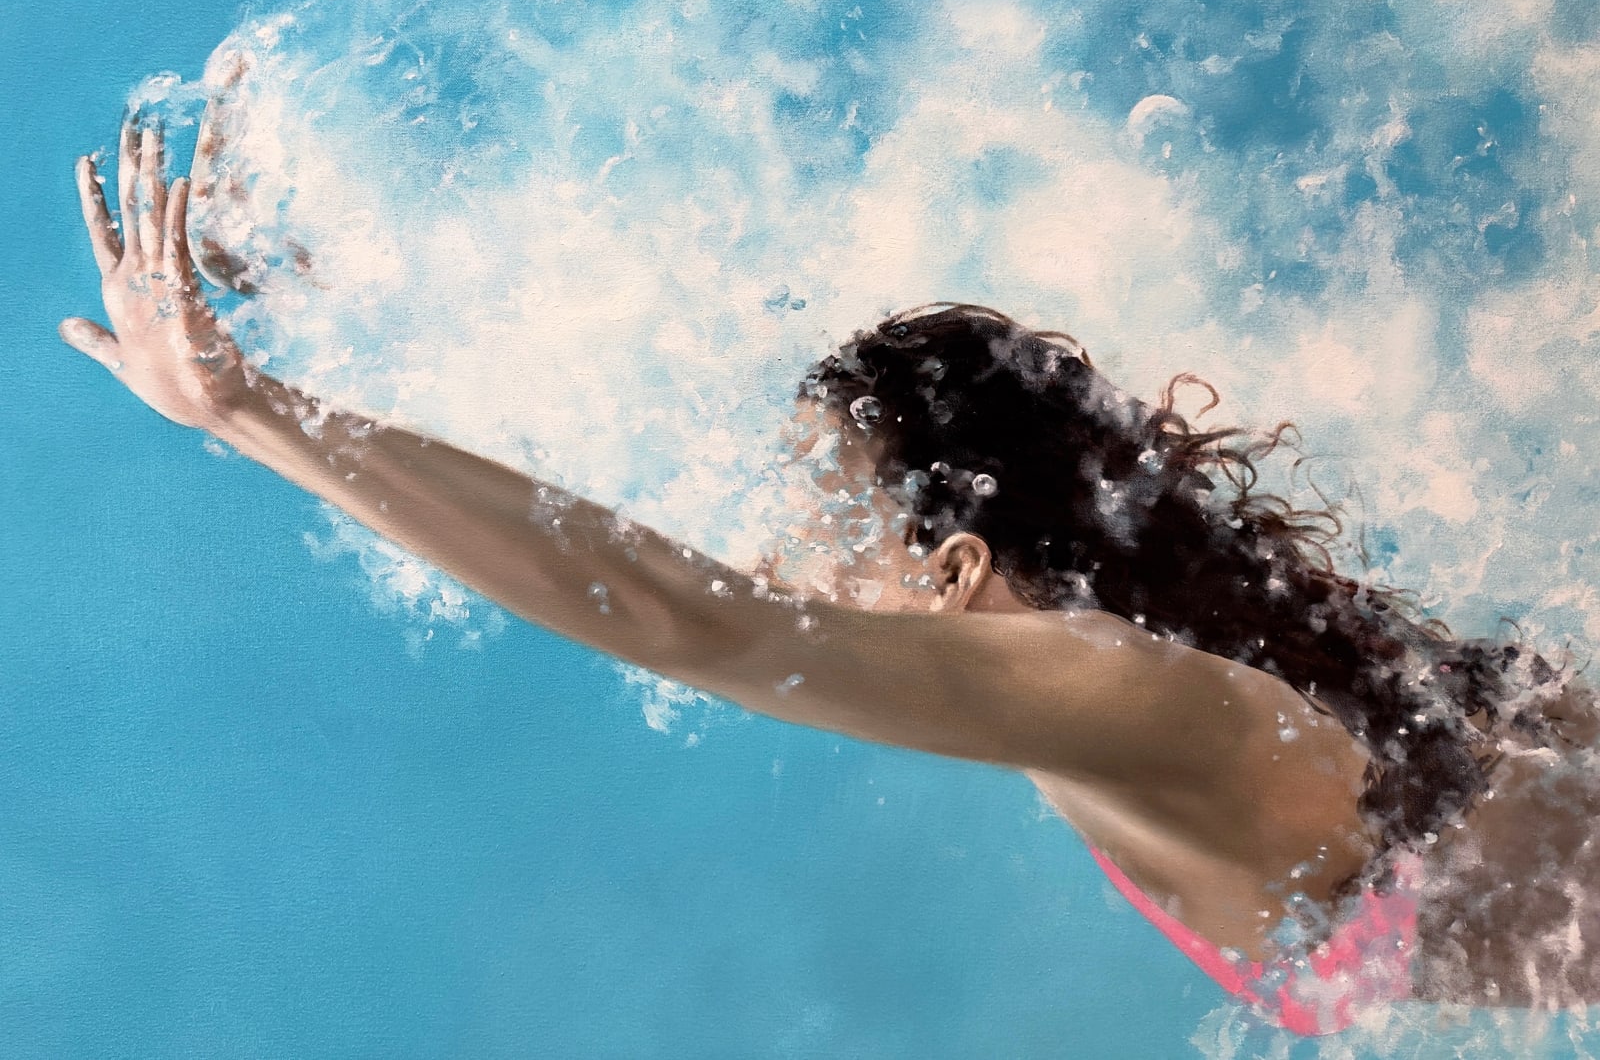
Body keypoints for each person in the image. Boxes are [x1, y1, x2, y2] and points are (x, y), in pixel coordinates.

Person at [62, 116, 1600, 1033]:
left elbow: (678, 614)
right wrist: (332, 310)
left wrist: (253, 414)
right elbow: (617, 529)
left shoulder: (1122, 690)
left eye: (814, 514)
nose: (773, 547)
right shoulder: (1173, 696)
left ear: (953, 565)